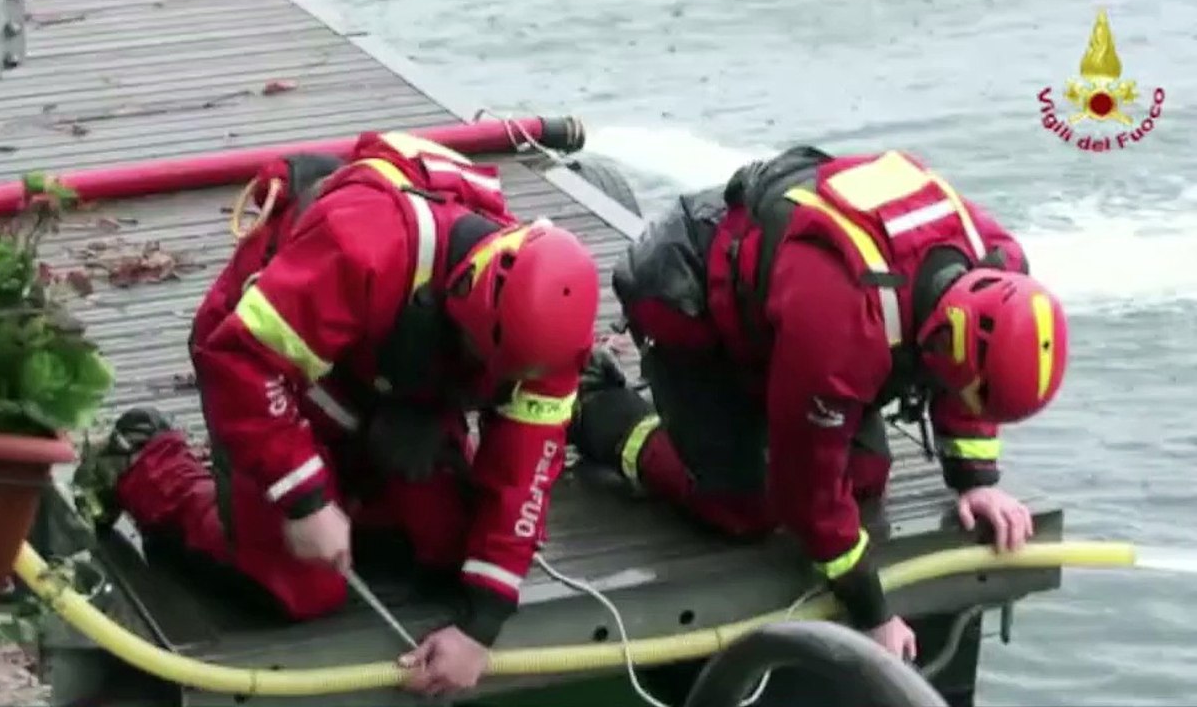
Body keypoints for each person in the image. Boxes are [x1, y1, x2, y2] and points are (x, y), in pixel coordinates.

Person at [71, 131, 601, 698]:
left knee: (451, 548)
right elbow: (239, 364)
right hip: (271, 366)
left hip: (391, 390)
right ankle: (142, 460)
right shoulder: (362, 246)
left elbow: (524, 476)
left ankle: (353, 491)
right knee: (301, 587)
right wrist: (305, 498)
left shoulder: (549, 331)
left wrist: (481, 626)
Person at [569, 146, 1069, 661]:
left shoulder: (999, 262)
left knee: (867, 475)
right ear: (941, 339)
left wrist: (975, 480)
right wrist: (870, 610)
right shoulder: (841, 323)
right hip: (688, 292)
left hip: (778, 303)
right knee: (744, 509)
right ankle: (597, 405)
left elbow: (969, 375)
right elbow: (805, 489)